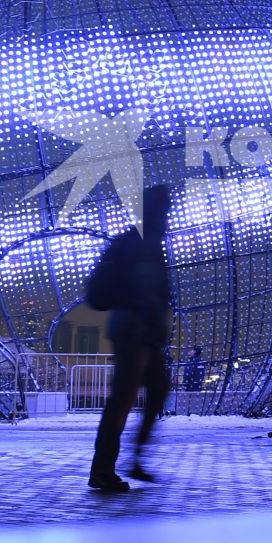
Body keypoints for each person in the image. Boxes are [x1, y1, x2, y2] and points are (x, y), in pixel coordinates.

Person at [88, 185, 175, 493]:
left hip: (146, 333)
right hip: (132, 332)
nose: (167, 215)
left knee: (157, 391)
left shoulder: (150, 243)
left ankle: (133, 457)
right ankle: (102, 470)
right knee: (122, 401)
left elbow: (158, 291)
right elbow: (143, 289)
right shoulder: (134, 243)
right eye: (164, 209)